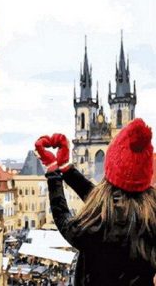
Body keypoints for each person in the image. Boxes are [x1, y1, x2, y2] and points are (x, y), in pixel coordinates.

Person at [35, 118, 156, 286]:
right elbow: (100, 202)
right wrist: (67, 170)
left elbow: (65, 221)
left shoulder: (101, 226)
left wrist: (53, 173)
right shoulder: (151, 210)